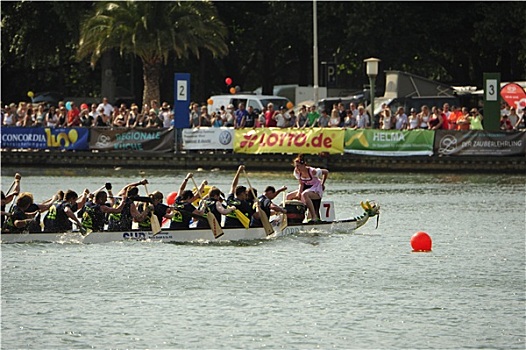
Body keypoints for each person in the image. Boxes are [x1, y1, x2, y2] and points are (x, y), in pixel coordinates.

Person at [286, 154, 329, 222]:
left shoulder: (313, 171)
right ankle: (289, 218)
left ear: (303, 165)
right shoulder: (297, 172)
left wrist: (322, 184)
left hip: (316, 189)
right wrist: (298, 193)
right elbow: (301, 184)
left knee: (305, 194)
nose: (297, 168)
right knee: (288, 196)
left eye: (298, 166)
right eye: (296, 166)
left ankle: (314, 216)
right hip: (305, 188)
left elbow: (326, 172)